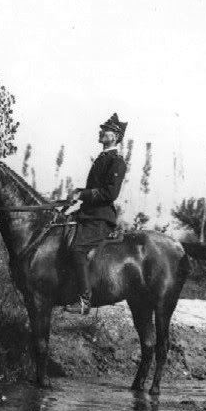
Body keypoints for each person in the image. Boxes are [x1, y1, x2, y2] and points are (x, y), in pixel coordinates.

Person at [65, 113, 128, 315]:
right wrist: (77, 194)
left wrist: (82, 194)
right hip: (88, 214)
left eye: (106, 130)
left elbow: (110, 193)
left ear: (116, 136)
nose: (101, 132)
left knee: (77, 250)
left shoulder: (116, 161)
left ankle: (84, 300)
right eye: (102, 129)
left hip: (100, 218)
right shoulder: (102, 158)